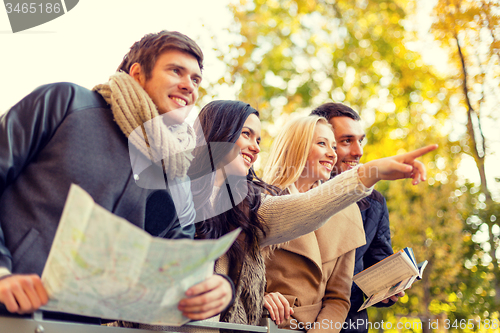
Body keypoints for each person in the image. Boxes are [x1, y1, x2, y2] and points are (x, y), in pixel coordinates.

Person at [0, 30, 232, 323]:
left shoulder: (176, 174)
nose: (189, 86)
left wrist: (217, 290)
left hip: (82, 327)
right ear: (137, 73)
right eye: (176, 71)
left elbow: (176, 269)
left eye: (196, 79)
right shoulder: (65, 103)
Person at [174, 100, 435, 327]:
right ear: (219, 133)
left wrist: (370, 173)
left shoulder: (248, 206)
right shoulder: (171, 192)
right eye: (246, 134)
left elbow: (304, 209)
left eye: (258, 140)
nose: (255, 147)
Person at [262, 115, 365, 332]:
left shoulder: (347, 211)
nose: (332, 154)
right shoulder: (259, 201)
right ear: (296, 147)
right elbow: (237, 275)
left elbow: (338, 298)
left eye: (334, 146)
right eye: (322, 143)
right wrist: (260, 296)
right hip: (263, 324)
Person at [311, 102, 403, 333]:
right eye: (346, 141)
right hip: (292, 321)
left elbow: (377, 262)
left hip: (350, 325)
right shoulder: (287, 195)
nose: (358, 151)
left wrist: (387, 289)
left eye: (360, 140)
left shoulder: (374, 203)